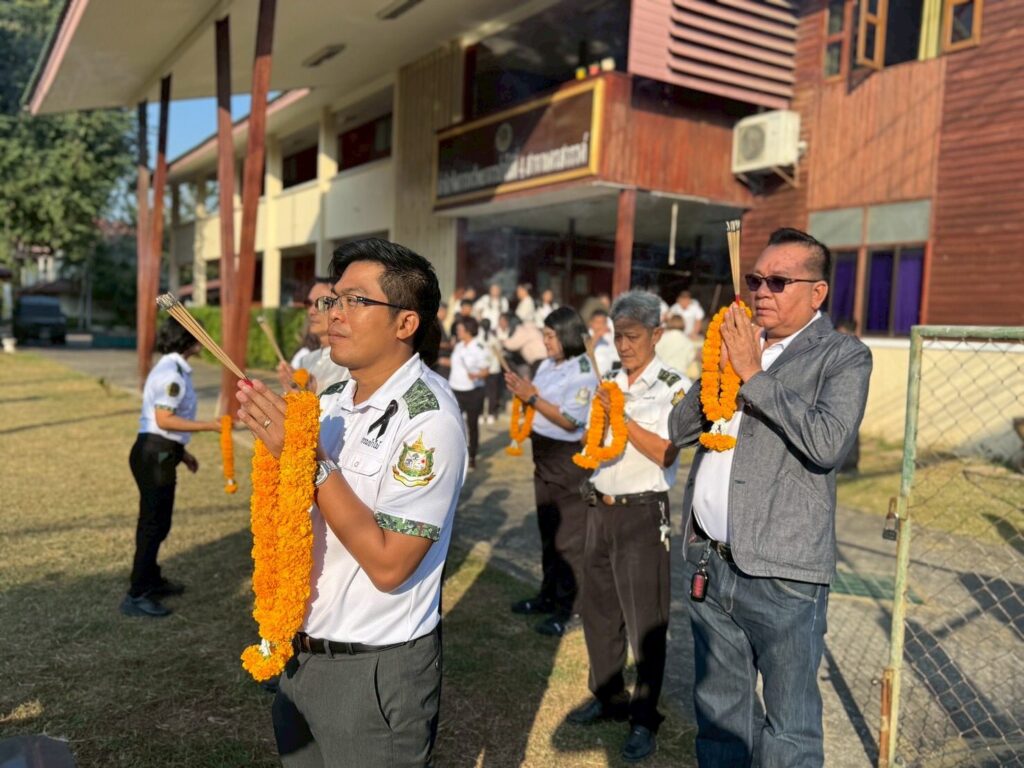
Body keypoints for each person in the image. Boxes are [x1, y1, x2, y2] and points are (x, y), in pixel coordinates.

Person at [237, 238, 467, 767]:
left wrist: (309, 460)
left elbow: (389, 564)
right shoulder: (331, 402)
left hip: (371, 671)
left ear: (405, 323)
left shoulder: (429, 419)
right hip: (300, 650)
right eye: (332, 299)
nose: (333, 314)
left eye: (355, 301)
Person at [669, 228, 872, 767]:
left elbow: (827, 443)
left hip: (784, 575)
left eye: (778, 282)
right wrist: (718, 366)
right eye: (755, 279)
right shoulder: (739, 343)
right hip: (712, 563)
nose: (761, 291)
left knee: (789, 731)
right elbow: (679, 430)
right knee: (719, 716)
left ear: (817, 293)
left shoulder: (842, 355)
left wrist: (752, 374)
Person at [568, 290, 690, 762]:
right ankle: (608, 696)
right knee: (599, 611)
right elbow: (594, 441)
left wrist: (622, 416)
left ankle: (644, 717)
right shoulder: (611, 381)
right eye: (618, 336)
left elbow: (666, 452)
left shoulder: (673, 386)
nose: (623, 346)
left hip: (642, 512)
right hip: (600, 508)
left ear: (656, 334)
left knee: (646, 622)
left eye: (633, 336)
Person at [504, 307, 598, 636]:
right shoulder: (547, 364)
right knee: (548, 531)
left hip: (567, 459)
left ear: (567, 335)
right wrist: (523, 389)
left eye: (550, 336)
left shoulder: (583, 370)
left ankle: (572, 608)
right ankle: (548, 595)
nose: (545, 342)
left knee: (569, 538)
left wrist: (531, 398)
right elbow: (537, 398)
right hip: (543, 455)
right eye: (544, 335)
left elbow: (571, 421)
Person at [121, 316, 221, 618]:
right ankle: (137, 593)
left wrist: (183, 453)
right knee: (153, 524)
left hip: (162, 451)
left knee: (159, 522)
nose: (203, 339)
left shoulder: (174, 369)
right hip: (155, 454)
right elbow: (164, 420)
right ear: (186, 339)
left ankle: (151, 579)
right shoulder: (172, 375)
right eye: (198, 334)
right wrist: (211, 425)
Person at [277, 277, 350, 395]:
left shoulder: (350, 365)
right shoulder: (306, 360)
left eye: (323, 303)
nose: (311, 311)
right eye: (309, 303)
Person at [449, 316, 490, 469]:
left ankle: (472, 455)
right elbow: (455, 365)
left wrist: (477, 375)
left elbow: (486, 371)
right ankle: (455, 452)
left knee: (472, 425)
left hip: (473, 392)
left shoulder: (479, 347)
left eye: (460, 329)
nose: (457, 332)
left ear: (468, 330)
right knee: (455, 424)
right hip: (455, 389)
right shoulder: (459, 346)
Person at [499, 312, 547, 379]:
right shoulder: (528, 326)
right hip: (540, 360)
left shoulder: (522, 329)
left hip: (539, 360)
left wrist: (501, 342)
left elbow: (512, 345)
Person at [656, 314, 698, 380]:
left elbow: (655, 355)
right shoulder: (688, 342)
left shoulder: (661, 338)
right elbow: (690, 359)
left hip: (662, 374)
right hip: (680, 376)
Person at [588, 309, 620, 375]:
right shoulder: (587, 336)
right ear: (591, 323)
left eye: (603, 322)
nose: (601, 325)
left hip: (614, 372)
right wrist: (597, 335)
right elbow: (585, 354)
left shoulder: (611, 335)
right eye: (598, 322)